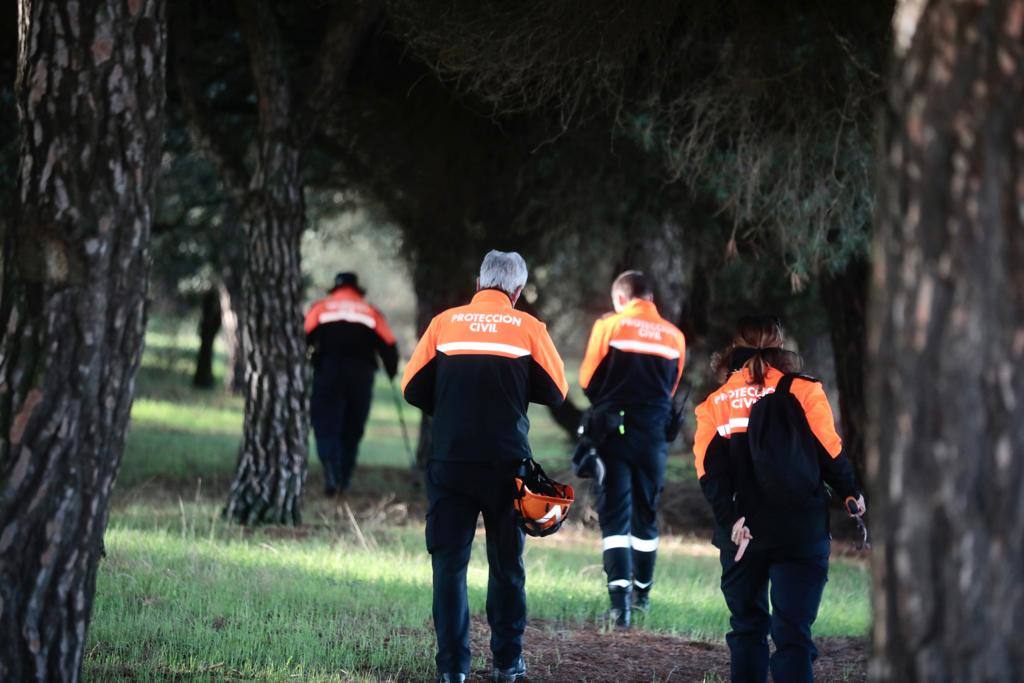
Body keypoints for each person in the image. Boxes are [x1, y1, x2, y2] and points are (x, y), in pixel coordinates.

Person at [403, 250, 568, 683]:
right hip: (507, 464)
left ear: (479, 284)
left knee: (449, 568)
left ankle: (452, 670)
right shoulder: (529, 328)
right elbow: (556, 392)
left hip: (451, 462)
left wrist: (452, 403)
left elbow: (411, 388)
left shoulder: (444, 323)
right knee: (507, 565)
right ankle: (507, 663)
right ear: (517, 291)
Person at [693, 315, 865, 683]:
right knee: (793, 637)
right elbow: (829, 452)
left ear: (734, 350)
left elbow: (708, 473)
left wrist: (730, 519)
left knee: (747, 630)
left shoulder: (716, 402)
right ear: (780, 347)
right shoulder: (805, 390)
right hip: (799, 532)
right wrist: (851, 492)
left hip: (743, 535)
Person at [578, 270, 686, 626]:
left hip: (614, 436)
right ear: (651, 299)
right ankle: (643, 596)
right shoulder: (674, 336)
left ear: (620, 299)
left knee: (615, 517)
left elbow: (587, 381)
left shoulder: (609, 327)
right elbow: (671, 389)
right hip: (654, 436)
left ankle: (619, 607)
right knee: (646, 514)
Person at [304, 272, 398, 496]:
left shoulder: (321, 308)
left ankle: (331, 471)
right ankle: (344, 478)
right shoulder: (370, 312)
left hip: (327, 372)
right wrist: (392, 371)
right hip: (361, 375)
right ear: (358, 289)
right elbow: (389, 345)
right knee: (352, 426)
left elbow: (302, 337)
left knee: (326, 423)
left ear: (334, 289)